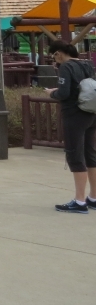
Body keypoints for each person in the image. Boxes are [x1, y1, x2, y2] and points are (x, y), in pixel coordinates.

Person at [45, 40, 96, 213]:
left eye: (54, 56)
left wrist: (52, 93)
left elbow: (64, 93)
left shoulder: (66, 67)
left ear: (58, 53)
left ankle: (79, 201)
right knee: (90, 154)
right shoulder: (87, 64)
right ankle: (93, 197)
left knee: (75, 155)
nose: (54, 60)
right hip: (91, 113)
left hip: (74, 115)